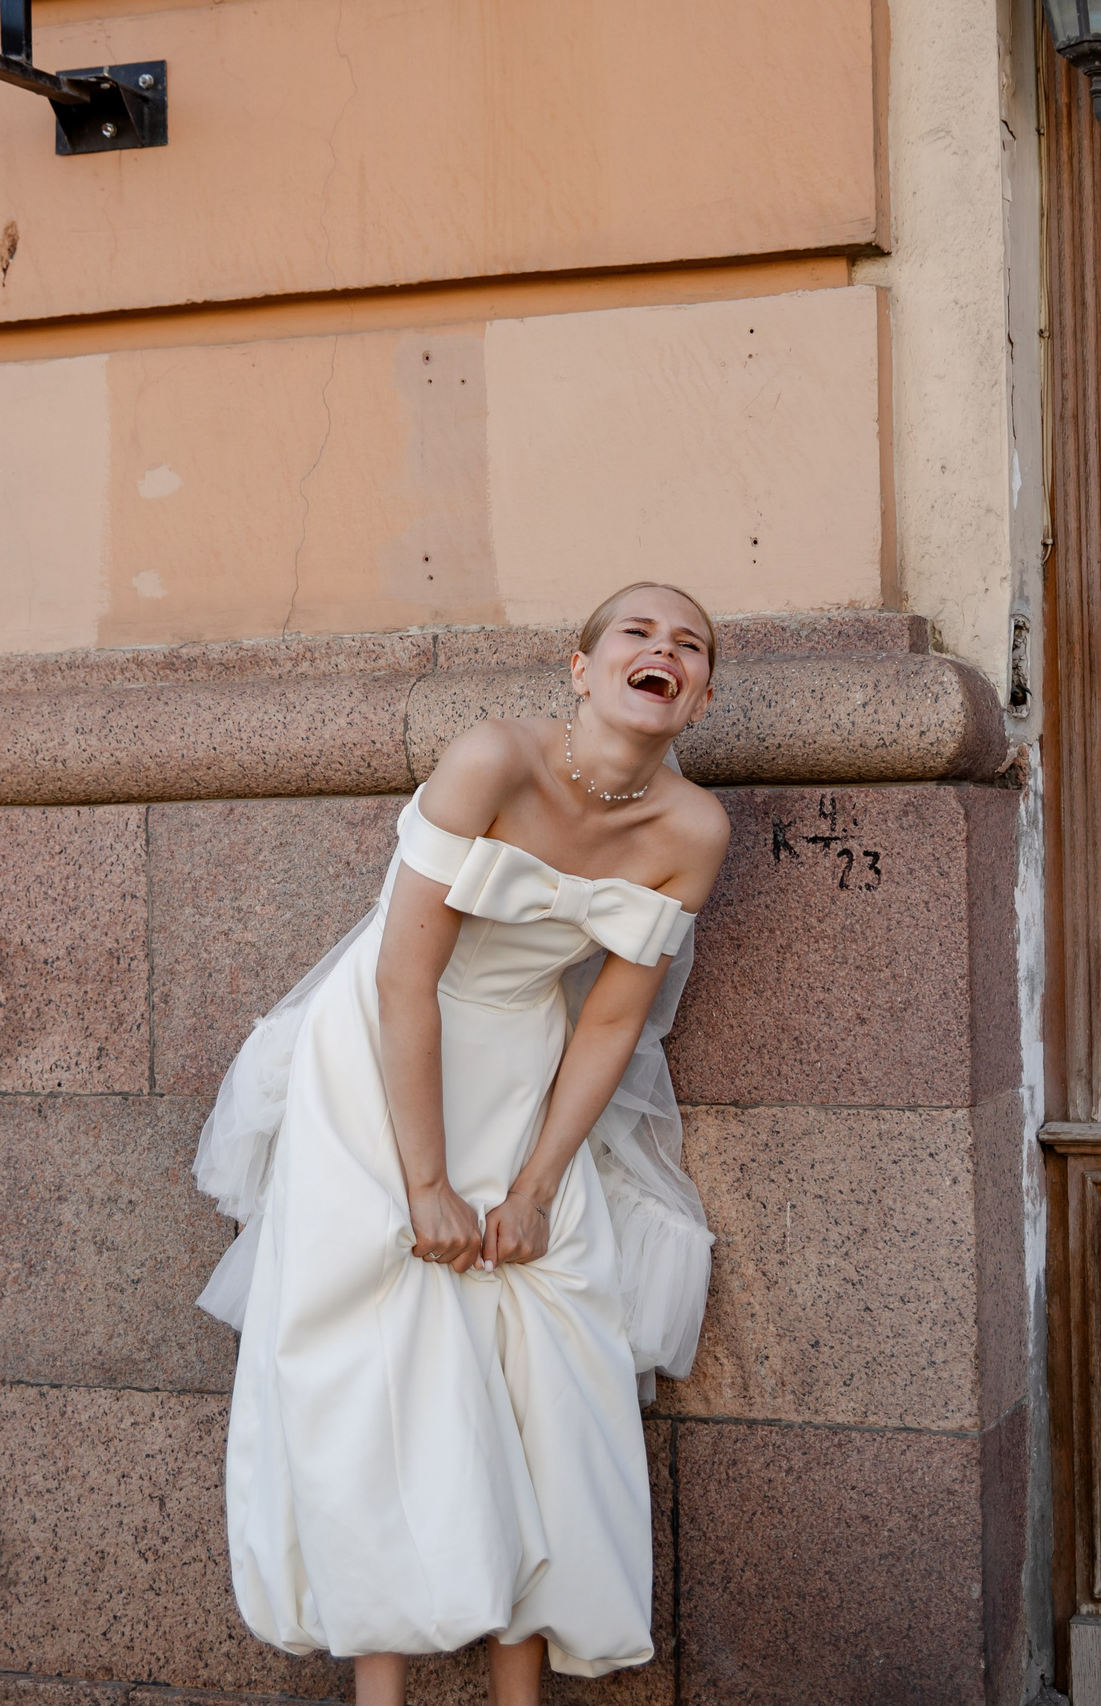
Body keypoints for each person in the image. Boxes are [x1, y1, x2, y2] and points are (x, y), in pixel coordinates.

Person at [190, 583, 732, 1706]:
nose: (663, 649)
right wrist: (425, 1182)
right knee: (383, 1352)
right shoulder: (490, 757)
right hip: (384, 1053)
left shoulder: (692, 829)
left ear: (700, 698)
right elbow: (404, 971)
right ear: (579, 667)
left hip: (521, 1063)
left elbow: (611, 1020)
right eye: (637, 631)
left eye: (689, 644)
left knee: (547, 1351)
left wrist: (534, 1184)